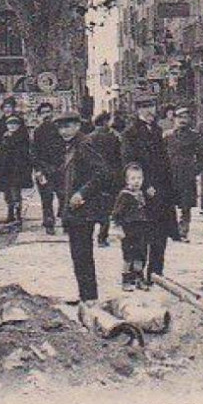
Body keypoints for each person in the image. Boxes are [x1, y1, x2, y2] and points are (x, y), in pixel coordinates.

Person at [120, 97, 180, 279]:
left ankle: (156, 273)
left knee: (160, 234)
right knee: (141, 236)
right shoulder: (130, 133)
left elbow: (163, 162)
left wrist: (170, 188)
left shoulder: (157, 131)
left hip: (162, 191)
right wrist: (144, 185)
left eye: (151, 107)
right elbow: (130, 163)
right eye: (144, 107)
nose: (149, 111)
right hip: (142, 192)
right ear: (137, 111)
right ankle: (136, 274)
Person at [59, 111, 114, 305]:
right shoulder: (71, 145)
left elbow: (102, 173)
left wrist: (82, 193)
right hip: (74, 210)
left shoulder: (84, 144)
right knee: (78, 253)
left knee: (83, 253)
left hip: (84, 208)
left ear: (77, 126)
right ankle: (84, 294)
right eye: (61, 127)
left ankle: (90, 297)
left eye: (68, 126)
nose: (64, 131)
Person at [110, 163, 158, 292]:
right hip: (129, 230)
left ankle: (138, 278)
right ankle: (126, 280)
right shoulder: (124, 195)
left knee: (141, 255)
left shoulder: (142, 194)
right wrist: (118, 228)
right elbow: (116, 214)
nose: (136, 181)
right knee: (128, 256)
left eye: (139, 178)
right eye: (133, 179)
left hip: (141, 229)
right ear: (127, 180)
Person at [165, 105, 203, 240]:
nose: (182, 120)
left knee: (186, 205)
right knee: (170, 202)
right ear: (174, 119)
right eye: (180, 117)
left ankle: (183, 230)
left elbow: (201, 156)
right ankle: (172, 229)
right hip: (171, 174)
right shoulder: (168, 136)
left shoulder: (194, 136)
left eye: (185, 117)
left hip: (187, 174)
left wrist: (195, 170)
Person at [87, 111, 123, 247]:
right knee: (107, 207)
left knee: (95, 205)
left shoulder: (89, 138)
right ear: (105, 122)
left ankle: (92, 236)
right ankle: (102, 237)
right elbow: (120, 157)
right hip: (111, 176)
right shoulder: (113, 137)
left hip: (94, 176)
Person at [30, 101, 66, 235]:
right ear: (39, 115)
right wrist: (38, 169)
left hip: (59, 168)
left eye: (48, 112)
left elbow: (64, 148)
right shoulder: (37, 132)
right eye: (43, 113)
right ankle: (49, 222)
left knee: (63, 195)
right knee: (46, 198)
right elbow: (33, 152)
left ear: (53, 113)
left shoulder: (59, 129)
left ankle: (63, 219)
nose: (46, 115)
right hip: (44, 169)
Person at [0, 112, 33, 230]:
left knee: (15, 194)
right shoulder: (5, 136)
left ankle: (17, 217)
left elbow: (22, 155)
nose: (12, 126)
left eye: (15, 124)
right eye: (10, 124)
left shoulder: (21, 137)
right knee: (8, 194)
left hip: (16, 170)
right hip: (6, 170)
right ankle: (10, 215)